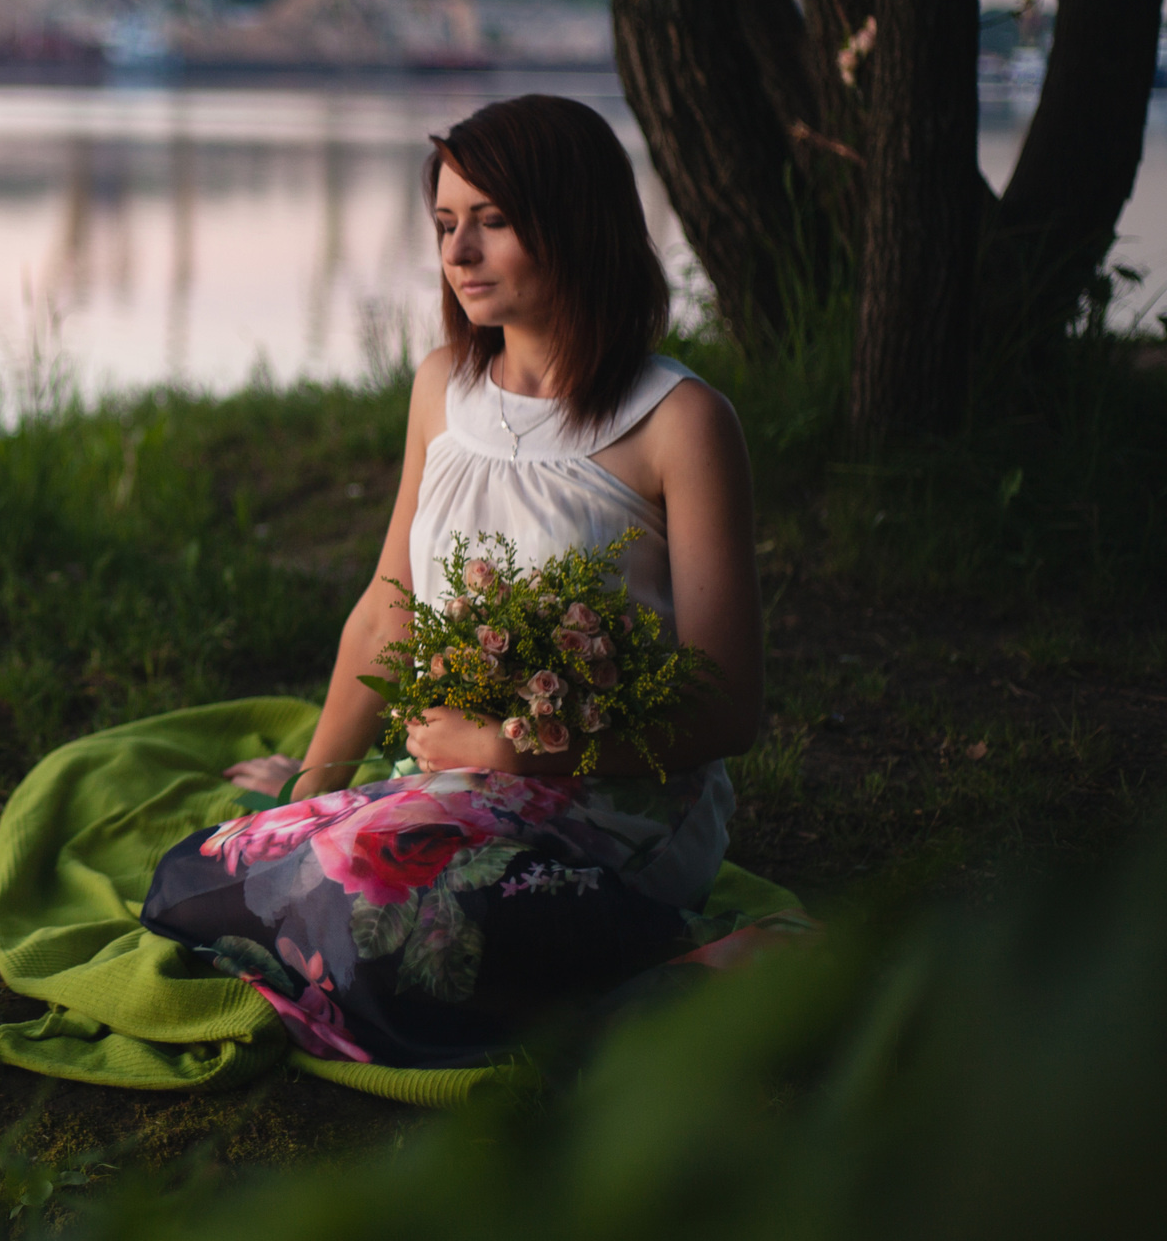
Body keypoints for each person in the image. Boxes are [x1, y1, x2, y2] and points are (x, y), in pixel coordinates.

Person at [140, 94, 763, 1068]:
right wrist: (312, 786)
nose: (458, 253)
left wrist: (520, 748)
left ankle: (675, 960)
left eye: (493, 221)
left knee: (389, 949)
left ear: (576, 223)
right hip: (449, 793)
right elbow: (389, 605)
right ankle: (426, 913)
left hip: (613, 811)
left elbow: (727, 707)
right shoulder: (443, 387)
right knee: (188, 885)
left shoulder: (680, 423)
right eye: (443, 226)